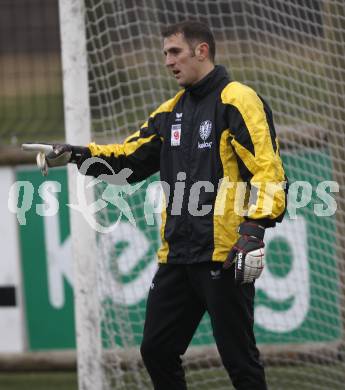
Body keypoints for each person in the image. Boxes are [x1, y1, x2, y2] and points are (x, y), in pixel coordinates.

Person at [26, 21, 287, 390]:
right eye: (165, 53)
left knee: (239, 361)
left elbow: (268, 169)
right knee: (157, 350)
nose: (168, 61)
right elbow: (126, 160)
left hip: (225, 255)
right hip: (177, 257)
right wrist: (74, 155)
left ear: (202, 51)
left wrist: (253, 230)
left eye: (175, 52)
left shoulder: (238, 99)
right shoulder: (170, 112)